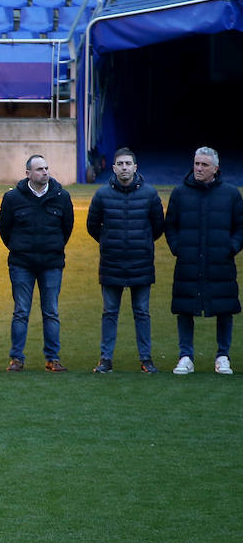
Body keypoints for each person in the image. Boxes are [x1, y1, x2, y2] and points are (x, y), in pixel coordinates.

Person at [164, 146, 243, 375]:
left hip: (221, 263)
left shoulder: (231, 195)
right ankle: (185, 356)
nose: (198, 168)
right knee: (185, 308)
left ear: (215, 169)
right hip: (188, 262)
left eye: (204, 165)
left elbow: (240, 228)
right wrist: (178, 248)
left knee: (224, 308)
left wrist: (230, 248)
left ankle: (223, 356)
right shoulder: (180, 193)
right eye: (196, 163)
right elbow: (170, 226)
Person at [86, 147, 165, 373]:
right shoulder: (102, 195)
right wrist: (108, 242)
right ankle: (105, 359)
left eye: (128, 164)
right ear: (113, 168)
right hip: (112, 263)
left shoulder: (150, 194)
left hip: (141, 263)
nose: (124, 168)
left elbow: (158, 227)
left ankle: (146, 359)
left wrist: (142, 243)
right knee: (110, 313)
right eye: (120, 164)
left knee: (142, 313)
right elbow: (92, 226)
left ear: (135, 167)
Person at [0, 154, 75, 372]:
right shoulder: (12, 198)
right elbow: (4, 228)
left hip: (51, 263)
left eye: (46, 168)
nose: (45, 172)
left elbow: (67, 228)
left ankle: (52, 358)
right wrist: (18, 248)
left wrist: (54, 247)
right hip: (21, 263)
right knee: (21, 311)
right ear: (28, 173)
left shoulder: (61, 196)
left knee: (51, 312)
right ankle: (16, 358)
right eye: (39, 169)